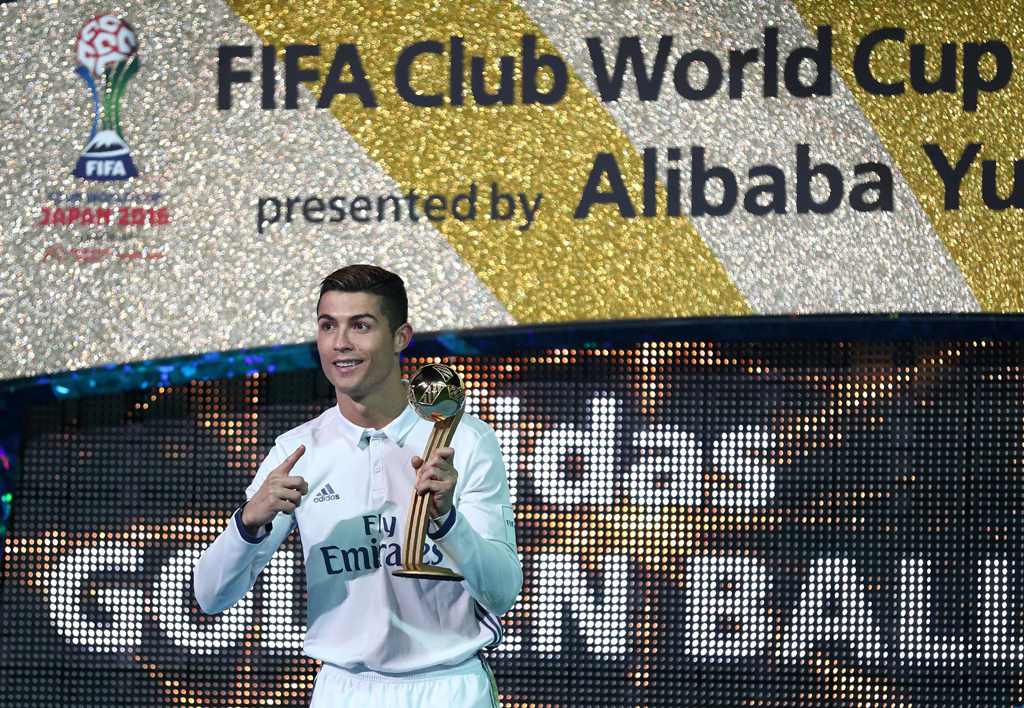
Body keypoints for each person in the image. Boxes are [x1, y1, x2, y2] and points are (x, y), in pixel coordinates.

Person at [193, 264, 522, 707]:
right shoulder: (297, 451)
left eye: (361, 326)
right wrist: (250, 520)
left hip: (449, 688)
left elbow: (502, 594)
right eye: (328, 326)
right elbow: (210, 596)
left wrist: (447, 521)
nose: (340, 343)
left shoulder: (462, 440)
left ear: (401, 338)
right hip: (343, 690)